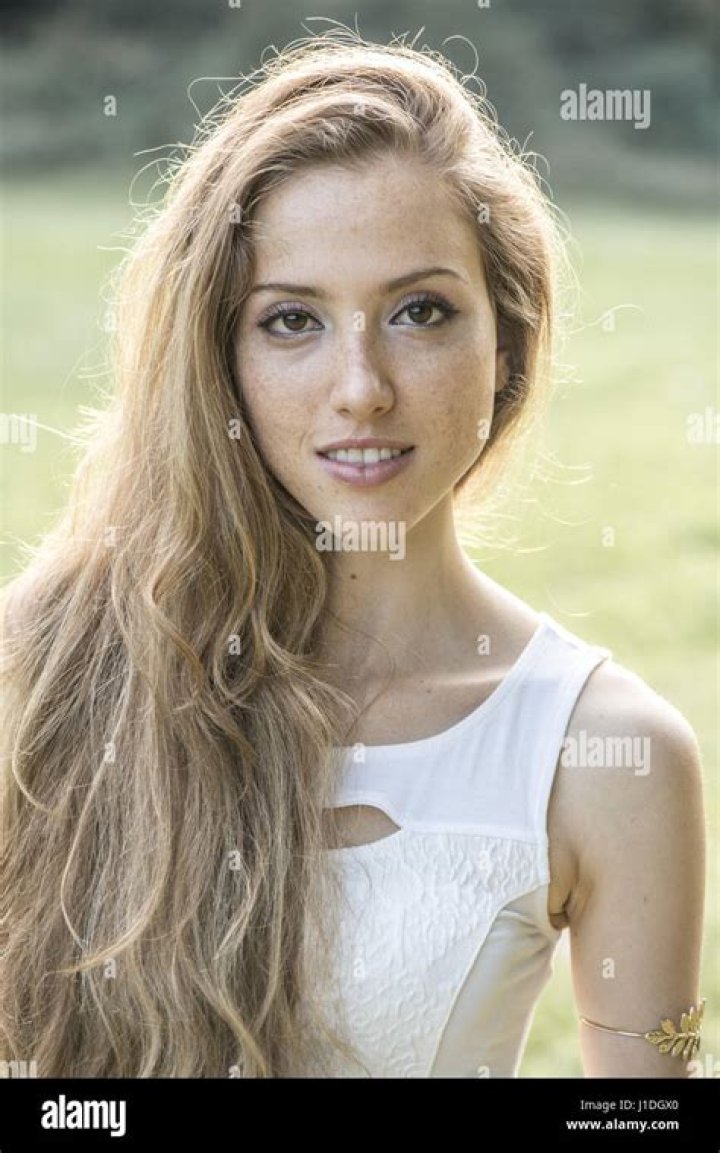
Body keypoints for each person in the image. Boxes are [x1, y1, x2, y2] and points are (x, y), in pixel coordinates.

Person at [0, 32, 706, 1079]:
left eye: (420, 312)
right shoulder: (45, 669)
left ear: (505, 343)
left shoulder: (609, 754)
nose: (362, 388)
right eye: (292, 320)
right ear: (218, 358)